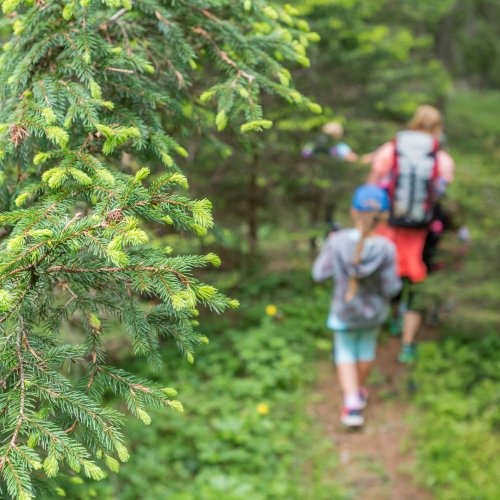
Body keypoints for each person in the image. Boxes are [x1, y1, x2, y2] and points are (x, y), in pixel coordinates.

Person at [367, 105, 455, 362]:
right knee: (416, 283)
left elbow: (370, 188)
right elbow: (440, 194)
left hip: (390, 228)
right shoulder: (442, 159)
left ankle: (392, 320)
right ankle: (407, 344)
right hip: (422, 233)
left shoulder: (390, 150)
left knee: (391, 272)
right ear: (438, 128)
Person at [312, 184, 402, 427]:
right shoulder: (387, 248)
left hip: (344, 312)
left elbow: (319, 273)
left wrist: (328, 246)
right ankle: (357, 391)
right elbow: (393, 288)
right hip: (373, 314)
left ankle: (351, 404)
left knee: (345, 353)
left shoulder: (338, 241)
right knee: (365, 350)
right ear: (384, 216)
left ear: (353, 211)